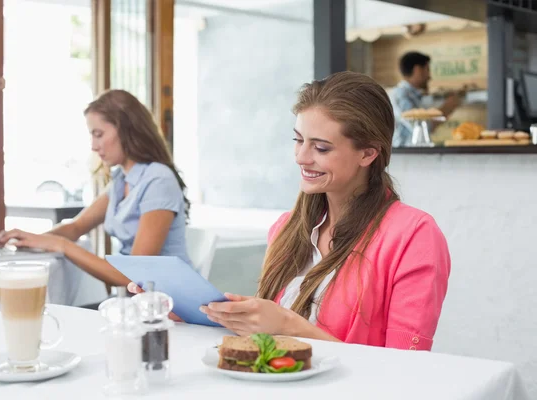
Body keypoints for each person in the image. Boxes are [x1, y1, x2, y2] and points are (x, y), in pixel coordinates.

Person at [131, 71, 450, 351]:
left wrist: (288, 326)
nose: (301, 157)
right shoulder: (286, 227)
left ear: (368, 153)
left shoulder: (414, 236)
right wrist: (186, 312)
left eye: (321, 147)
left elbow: (405, 371)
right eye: (298, 140)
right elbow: (265, 339)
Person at [0, 89, 192, 288]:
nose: (93, 146)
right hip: (139, 298)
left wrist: (61, 245)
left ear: (127, 130)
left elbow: (134, 275)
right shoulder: (121, 180)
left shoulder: (158, 180)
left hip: (170, 302)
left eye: (98, 134)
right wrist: (34, 239)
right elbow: (76, 227)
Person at [391, 51, 462, 147]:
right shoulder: (401, 95)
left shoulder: (414, 95)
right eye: (427, 70)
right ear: (418, 70)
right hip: (406, 155)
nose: (429, 76)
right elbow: (422, 127)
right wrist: (448, 107)